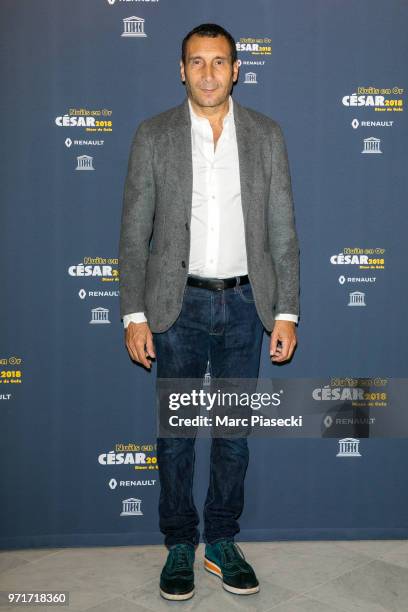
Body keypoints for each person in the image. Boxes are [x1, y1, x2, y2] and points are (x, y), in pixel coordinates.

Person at [118, 23, 300, 601]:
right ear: (181, 69)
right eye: (196, 62)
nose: (207, 73)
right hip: (178, 304)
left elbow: (282, 229)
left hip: (248, 303)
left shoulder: (266, 135)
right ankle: (178, 545)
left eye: (218, 62)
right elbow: (133, 234)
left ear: (236, 69)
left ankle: (221, 541)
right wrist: (133, 315)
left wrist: (288, 310)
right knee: (175, 434)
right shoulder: (154, 135)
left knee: (233, 434)